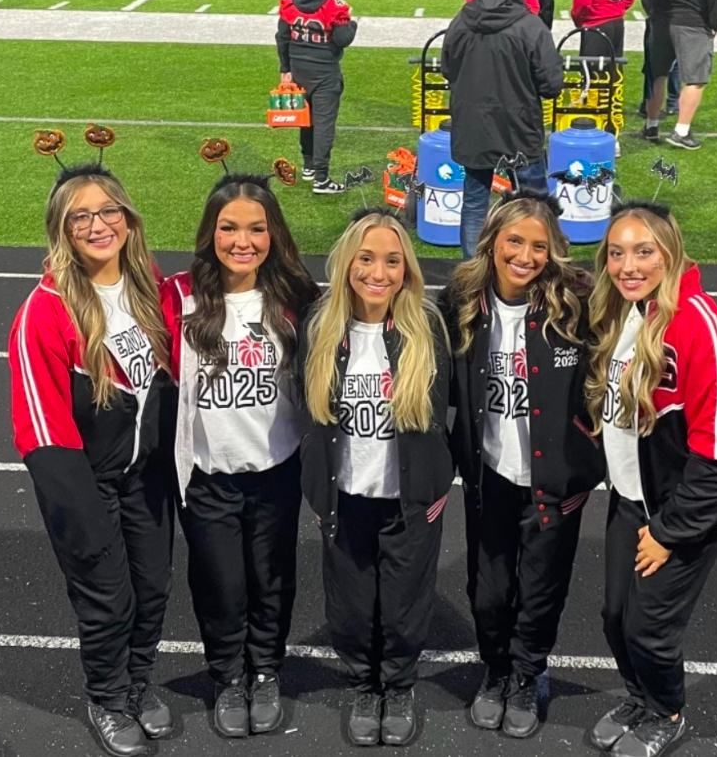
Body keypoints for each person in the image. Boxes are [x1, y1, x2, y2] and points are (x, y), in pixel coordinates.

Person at [9, 163, 175, 757]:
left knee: (152, 586)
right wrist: (83, 514)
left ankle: (137, 683)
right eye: (81, 216)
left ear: (128, 220)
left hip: (147, 477)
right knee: (109, 596)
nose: (98, 224)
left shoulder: (147, 285)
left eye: (109, 211)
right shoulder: (44, 312)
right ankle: (107, 697)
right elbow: (40, 429)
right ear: (62, 229)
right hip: (86, 482)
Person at [583, 201, 717, 757]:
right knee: (615, 617)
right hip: (632, 498)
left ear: (671, 253)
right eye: (616, 253)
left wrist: (669, 531)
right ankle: (639, 696)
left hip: (682, 510)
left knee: (649, 629)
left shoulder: (700, 324)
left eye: (643, 251)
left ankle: (668, 712)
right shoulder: (624, 311)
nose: (628, 265)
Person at [438, 191, 605, 739]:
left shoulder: (576, 302)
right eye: (515, 241)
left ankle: (528, 673)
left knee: (540, 588)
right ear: (492, 242)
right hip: (490, 477)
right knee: (487, 590)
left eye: (539, 245)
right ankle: (496, 667)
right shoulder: (462, 299)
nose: (525, 256)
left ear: (553, 250)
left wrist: (587, 453)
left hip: (554, 484)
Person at [160, 172, 320, 738]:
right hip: (206, 476)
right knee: (220, 584)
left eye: (256, 228)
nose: (242, 241)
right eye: (228, 228)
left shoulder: (296, 297)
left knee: (272, 580)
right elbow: (114, 294)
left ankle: (267, 672)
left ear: (274, 234)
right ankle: (229, 675)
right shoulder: (178, 294)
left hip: (276, 471)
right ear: (210, 233)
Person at [299, 209, 453, 747]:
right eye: (366, 259)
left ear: (407, 270)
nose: (378, 272)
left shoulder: (426, 327)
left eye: (392, 261)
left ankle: (399, 684)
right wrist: (317, 490)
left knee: (406, 602)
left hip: (409, 502)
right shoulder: (320, 327)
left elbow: (447, 409)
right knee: (351, 603)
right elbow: (307, 414)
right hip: (345, 499)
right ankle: (365, 683)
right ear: (346, 264)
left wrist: (436, 483)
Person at [442, 0, 565, 259]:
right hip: (519, 127)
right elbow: (552, 84)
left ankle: (473, 273)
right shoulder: (531, 26)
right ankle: (537, 267)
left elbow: (447, 69)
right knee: (535, 204)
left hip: (473, 128)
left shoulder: (462, 20)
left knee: (475, 201)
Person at [276, 0, 358, 194]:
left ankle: (309, 165)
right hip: (324, 71)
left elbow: (282, 37)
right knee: (323, 125)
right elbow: (342, 39)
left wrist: (285, 68)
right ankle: (321, 178)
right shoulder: (334, 1)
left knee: (306, 119)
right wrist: (353, 25)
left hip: (298, 67)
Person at [640, 0, 717, 150]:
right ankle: (681, 131)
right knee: (695, 79)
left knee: (657, 74)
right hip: (692, 24)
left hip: (660, 22)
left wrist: (654, 14)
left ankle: (651, 125)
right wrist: (716, 24)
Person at [572, 0, 637, 142]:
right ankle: (611, 130)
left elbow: (583, 0)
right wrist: (616, 9)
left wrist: (581, 19)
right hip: (616, 22)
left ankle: (591, 128)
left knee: (591, 80)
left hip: (597, 22)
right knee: (613, 78)